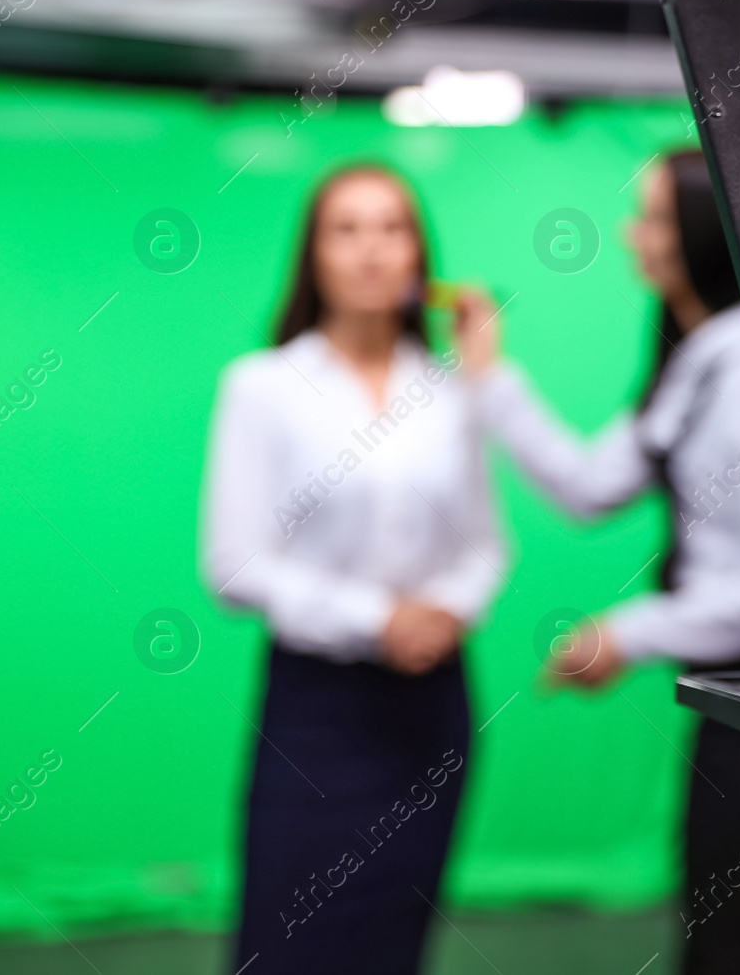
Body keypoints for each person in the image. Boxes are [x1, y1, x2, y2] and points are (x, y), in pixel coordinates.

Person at [453, 149, 740, 975]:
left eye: (652, 217)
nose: (632, 236)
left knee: (738, 939)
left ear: (701, 229)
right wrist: (491, 374)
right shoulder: (696, 359)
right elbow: (591, 484)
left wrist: (625, 631)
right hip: (732, 694)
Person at [202, 165, 506, 975]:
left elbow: (485, 546)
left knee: (392, 945)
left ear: (419, 253)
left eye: (391, 228)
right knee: (289, 941)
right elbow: (232, 564)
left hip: (432, 706)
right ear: (314, 255)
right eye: (347, 229)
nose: (371, 250)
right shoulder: (261, 386)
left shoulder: (454, 390)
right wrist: (378, 619)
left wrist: (445, 611)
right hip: (317, 712)